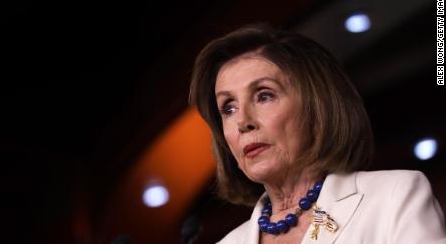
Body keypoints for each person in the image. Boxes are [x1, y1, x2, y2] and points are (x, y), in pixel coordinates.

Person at [188, 23, 446, 244]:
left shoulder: (393, 197)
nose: (243, 121)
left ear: (316, 107)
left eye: (264, 95)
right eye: (228, 108)